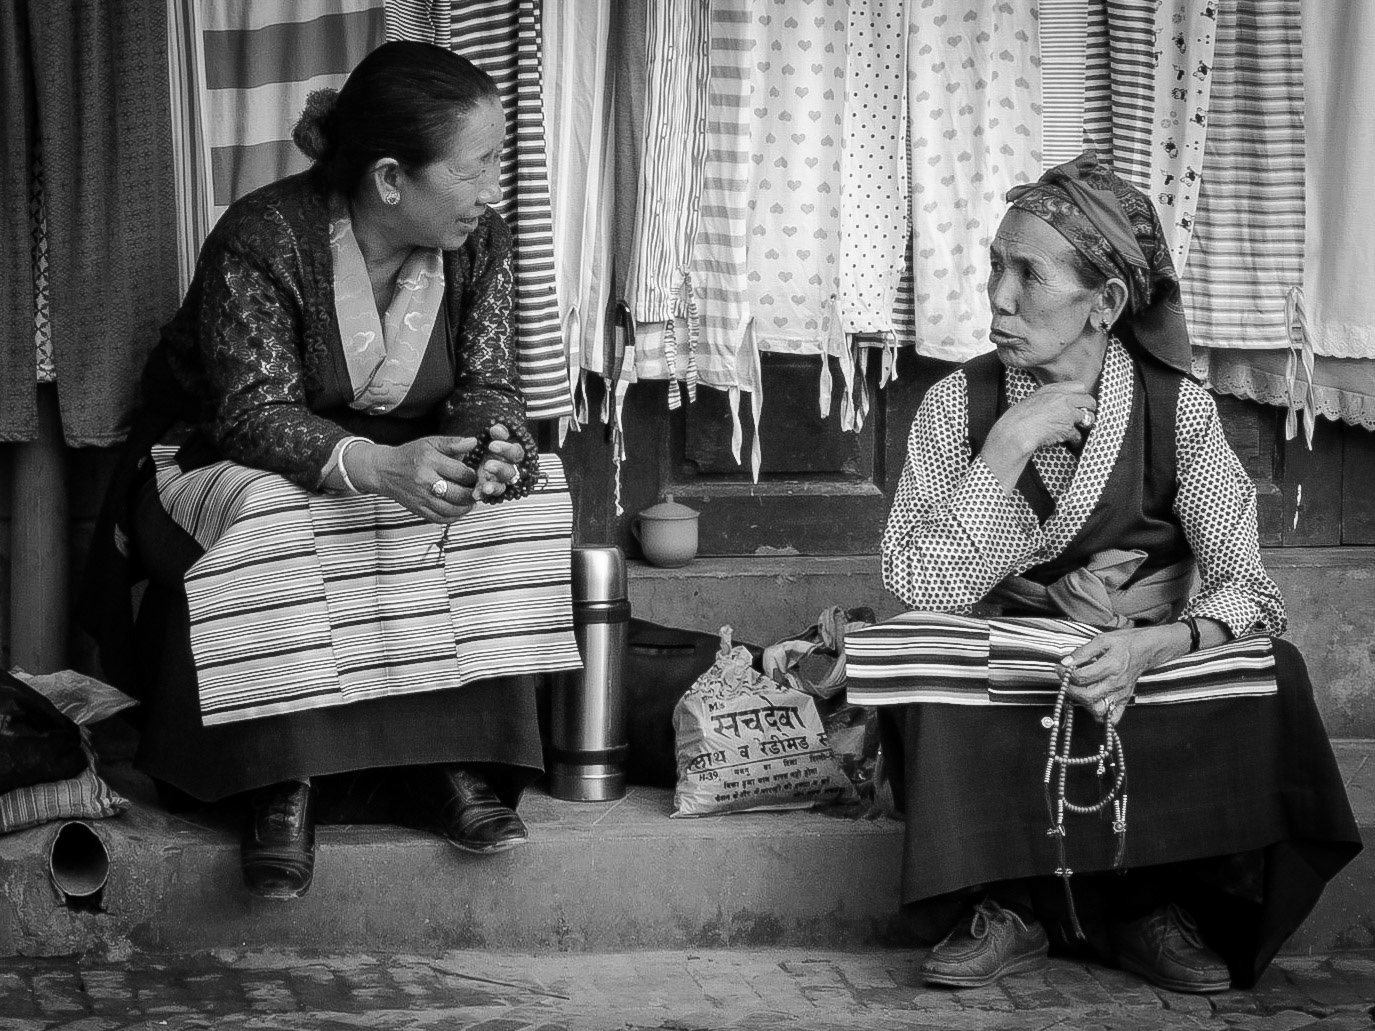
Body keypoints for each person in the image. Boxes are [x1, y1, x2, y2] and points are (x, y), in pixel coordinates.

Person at [845, 153, 1361, 993]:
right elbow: (919, 581)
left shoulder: (1175, 408)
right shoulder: (958, 405)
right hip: (1013, 650)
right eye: (994, 267)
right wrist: (1007, 445)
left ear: (1107, 303)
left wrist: (1147, 648)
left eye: (1028, 275)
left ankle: (1145, 904)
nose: (999, 298)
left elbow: (1248, 587)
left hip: (1138, 657)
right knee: (920, 654)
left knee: (1272, 669)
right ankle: (1009, 905)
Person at [82, 41, 582, 900]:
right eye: (475, 168)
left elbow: (489, 386)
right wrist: (378, 465)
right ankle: (277, 781)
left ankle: (445, 763)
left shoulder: (481, 242)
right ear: (392, 179)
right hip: (223, 455)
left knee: (516, 506)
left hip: (400, 450)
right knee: (284, 517)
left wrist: (490, 448)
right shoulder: (265, 235)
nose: (490, 190)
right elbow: (249, 414)